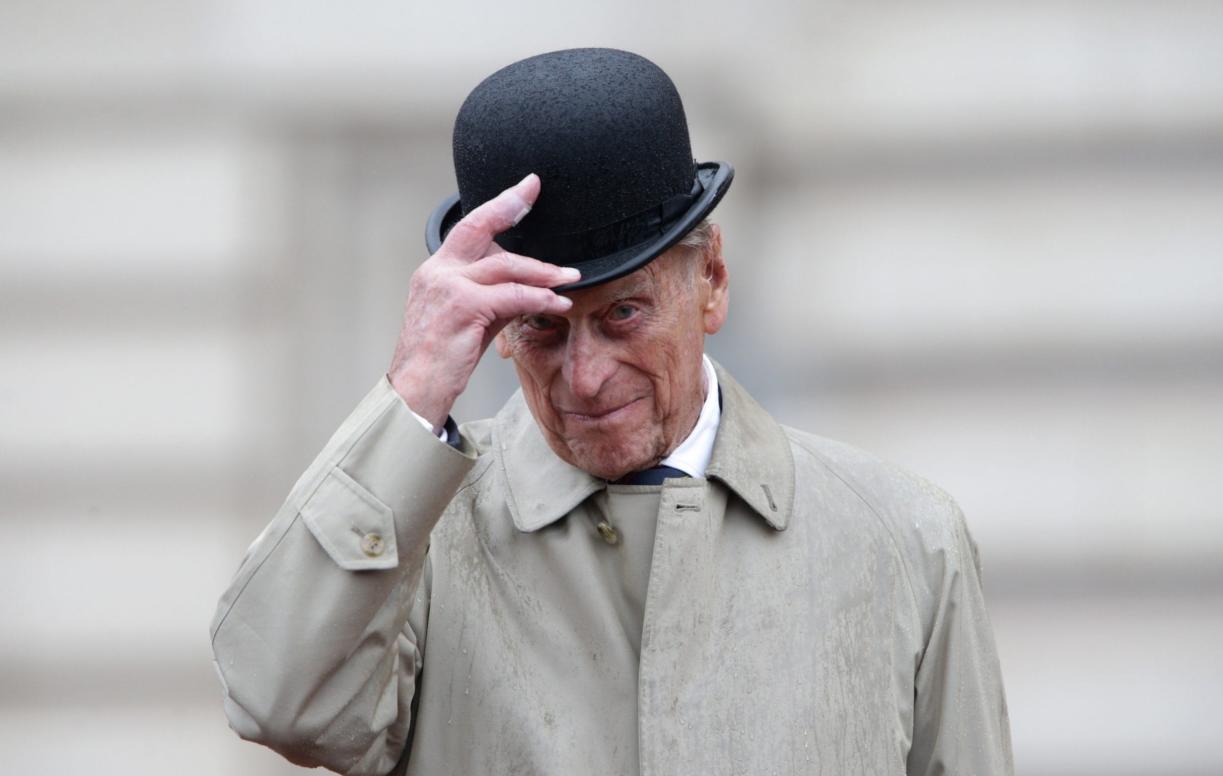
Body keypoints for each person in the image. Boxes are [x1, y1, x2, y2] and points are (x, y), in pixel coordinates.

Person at [210, 48, 1013, 776]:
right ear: (497, 333)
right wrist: (414, 387)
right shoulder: (422, 542)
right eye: (544, 327)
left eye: (623, 314)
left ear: (713, 281)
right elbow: (277, 700)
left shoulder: (906, 541)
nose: (585, 378)